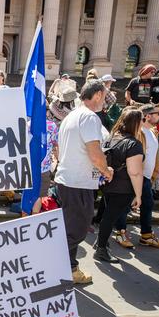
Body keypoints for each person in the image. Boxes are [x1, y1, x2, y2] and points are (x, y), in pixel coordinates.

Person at [55, 79, 113, 283]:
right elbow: (95, 153)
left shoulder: (72, 116)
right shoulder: (89, 117)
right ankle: (61, 268)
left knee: (70, 227)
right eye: (105, 97)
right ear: (97, 95)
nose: (105, 102)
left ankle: (69, 267)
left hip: (68, 179)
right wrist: (106, 170)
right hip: (78, 182)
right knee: (76, 230)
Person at [114, 104, 159, 249]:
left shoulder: (153, 132)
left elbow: (154, 156)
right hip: (136, 175)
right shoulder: (138, 133)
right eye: (157, 113)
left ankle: (146, 235)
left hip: (147, 177)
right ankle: (121, 232)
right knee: (126, 205)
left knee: (147, 204)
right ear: (147, 115)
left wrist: (154, 174)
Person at [95, 109, 145, 263]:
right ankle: (101, 248)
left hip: (108, 184)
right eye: (142, 120)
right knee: (109, 218)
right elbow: (135, 172)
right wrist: (138, 195)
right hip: (123, 188)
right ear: (136, 123)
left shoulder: (110, 139)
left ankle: (101, 243)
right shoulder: (133, 144)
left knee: (107, 216)